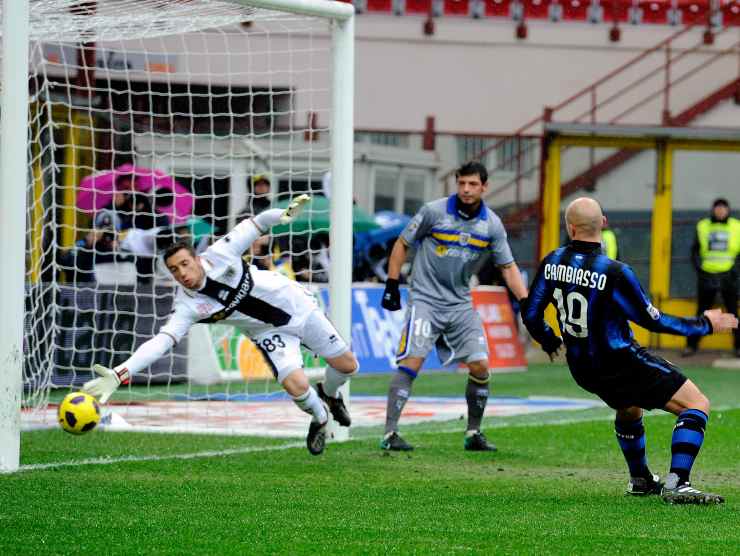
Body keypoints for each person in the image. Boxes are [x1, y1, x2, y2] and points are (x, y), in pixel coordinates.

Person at [83, 195, 359, 456]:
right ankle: (320, 416)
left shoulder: (222, 252)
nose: (182, 274)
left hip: (298, 306)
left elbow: (258, 223)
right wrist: (121, 373)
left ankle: (330, 394)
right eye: (175, 270)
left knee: (347, 366)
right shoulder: (186, 306)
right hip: (268, 332)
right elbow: (161, 341)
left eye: (185, 264)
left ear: (197, 258)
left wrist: (282, 215)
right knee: (295, 385)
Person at [522, 197, 737, 505]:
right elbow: (653, 321)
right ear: (604, 223)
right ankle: (679, 483)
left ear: (570, 228)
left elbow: (530, 313)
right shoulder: (615, 272)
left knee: (628, 407)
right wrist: (704, 324)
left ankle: (640, 479)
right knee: (696, 404)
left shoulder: (553, 262)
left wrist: (550, 340)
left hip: (582, 367)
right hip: (621, 361)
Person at [379, 161, 528, 452]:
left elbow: (508, 267)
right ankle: (389, 434)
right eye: (461, 183)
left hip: (460, 303)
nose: (466, 189)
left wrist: (526, 302)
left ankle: (473, 433)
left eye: (473, 184)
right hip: (425, 300)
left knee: (481, 366)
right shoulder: (433, 212)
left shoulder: (492, 225)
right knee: (412, 362)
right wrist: (392, 283)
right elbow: (402, 243)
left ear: (484, 187)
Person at [684, 198, 740, 357]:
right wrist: (700, 270)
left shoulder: (737, 226)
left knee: (733, 313)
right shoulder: (703, 225)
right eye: (718, 208)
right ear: (713, 210)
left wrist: (735, 271)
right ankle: (691, 346)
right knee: (701, 313)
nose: (720, 211)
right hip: (707, 276)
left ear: (728, 210)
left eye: (723, 208)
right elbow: (694, 251)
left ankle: (738, 347)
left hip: (728, 276)